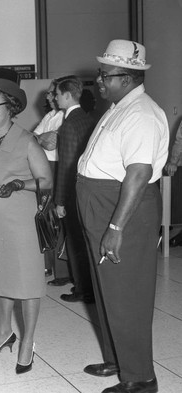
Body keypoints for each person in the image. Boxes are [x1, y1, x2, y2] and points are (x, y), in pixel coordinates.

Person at [77, 40, 168, 393]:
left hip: (124, 209)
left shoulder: (141, 114)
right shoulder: (120, 106)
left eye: (105, 75)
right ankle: (119, 358)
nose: (98, 80)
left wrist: (116, 227)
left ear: (127, 77)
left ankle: (141, 377)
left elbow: (139, 174)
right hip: (102, 203)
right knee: (107, 289)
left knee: (127, 292)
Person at [0, 68, 52, 374]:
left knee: (28, 284)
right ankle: (4, 333)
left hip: (21, 224)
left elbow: (46, 180)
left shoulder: (27, 141)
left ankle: (27, 342)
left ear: (11, 108)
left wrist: (21, 183)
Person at [53, 75, 95, 303]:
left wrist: (59, 201)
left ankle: (82, 289)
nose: (55, 97)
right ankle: (90, 286)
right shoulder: (88, 120)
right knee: (84, 241)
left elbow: (66, 166)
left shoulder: (68, 125)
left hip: (71, 193)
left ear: (67, 96)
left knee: (74, 241)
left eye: (58, 94)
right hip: (87, 190)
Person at [32, 80, 66, 283]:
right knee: (45, 217)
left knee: (55, 220)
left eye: (51, 93)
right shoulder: (50, 116)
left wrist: (40, 138)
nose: (47, 96)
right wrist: (41, 138)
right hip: (45, 168)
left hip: (56, 170)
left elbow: (51, 142)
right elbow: (31, 138)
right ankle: (48, 265)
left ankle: (62, 270)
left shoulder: (64, 116)